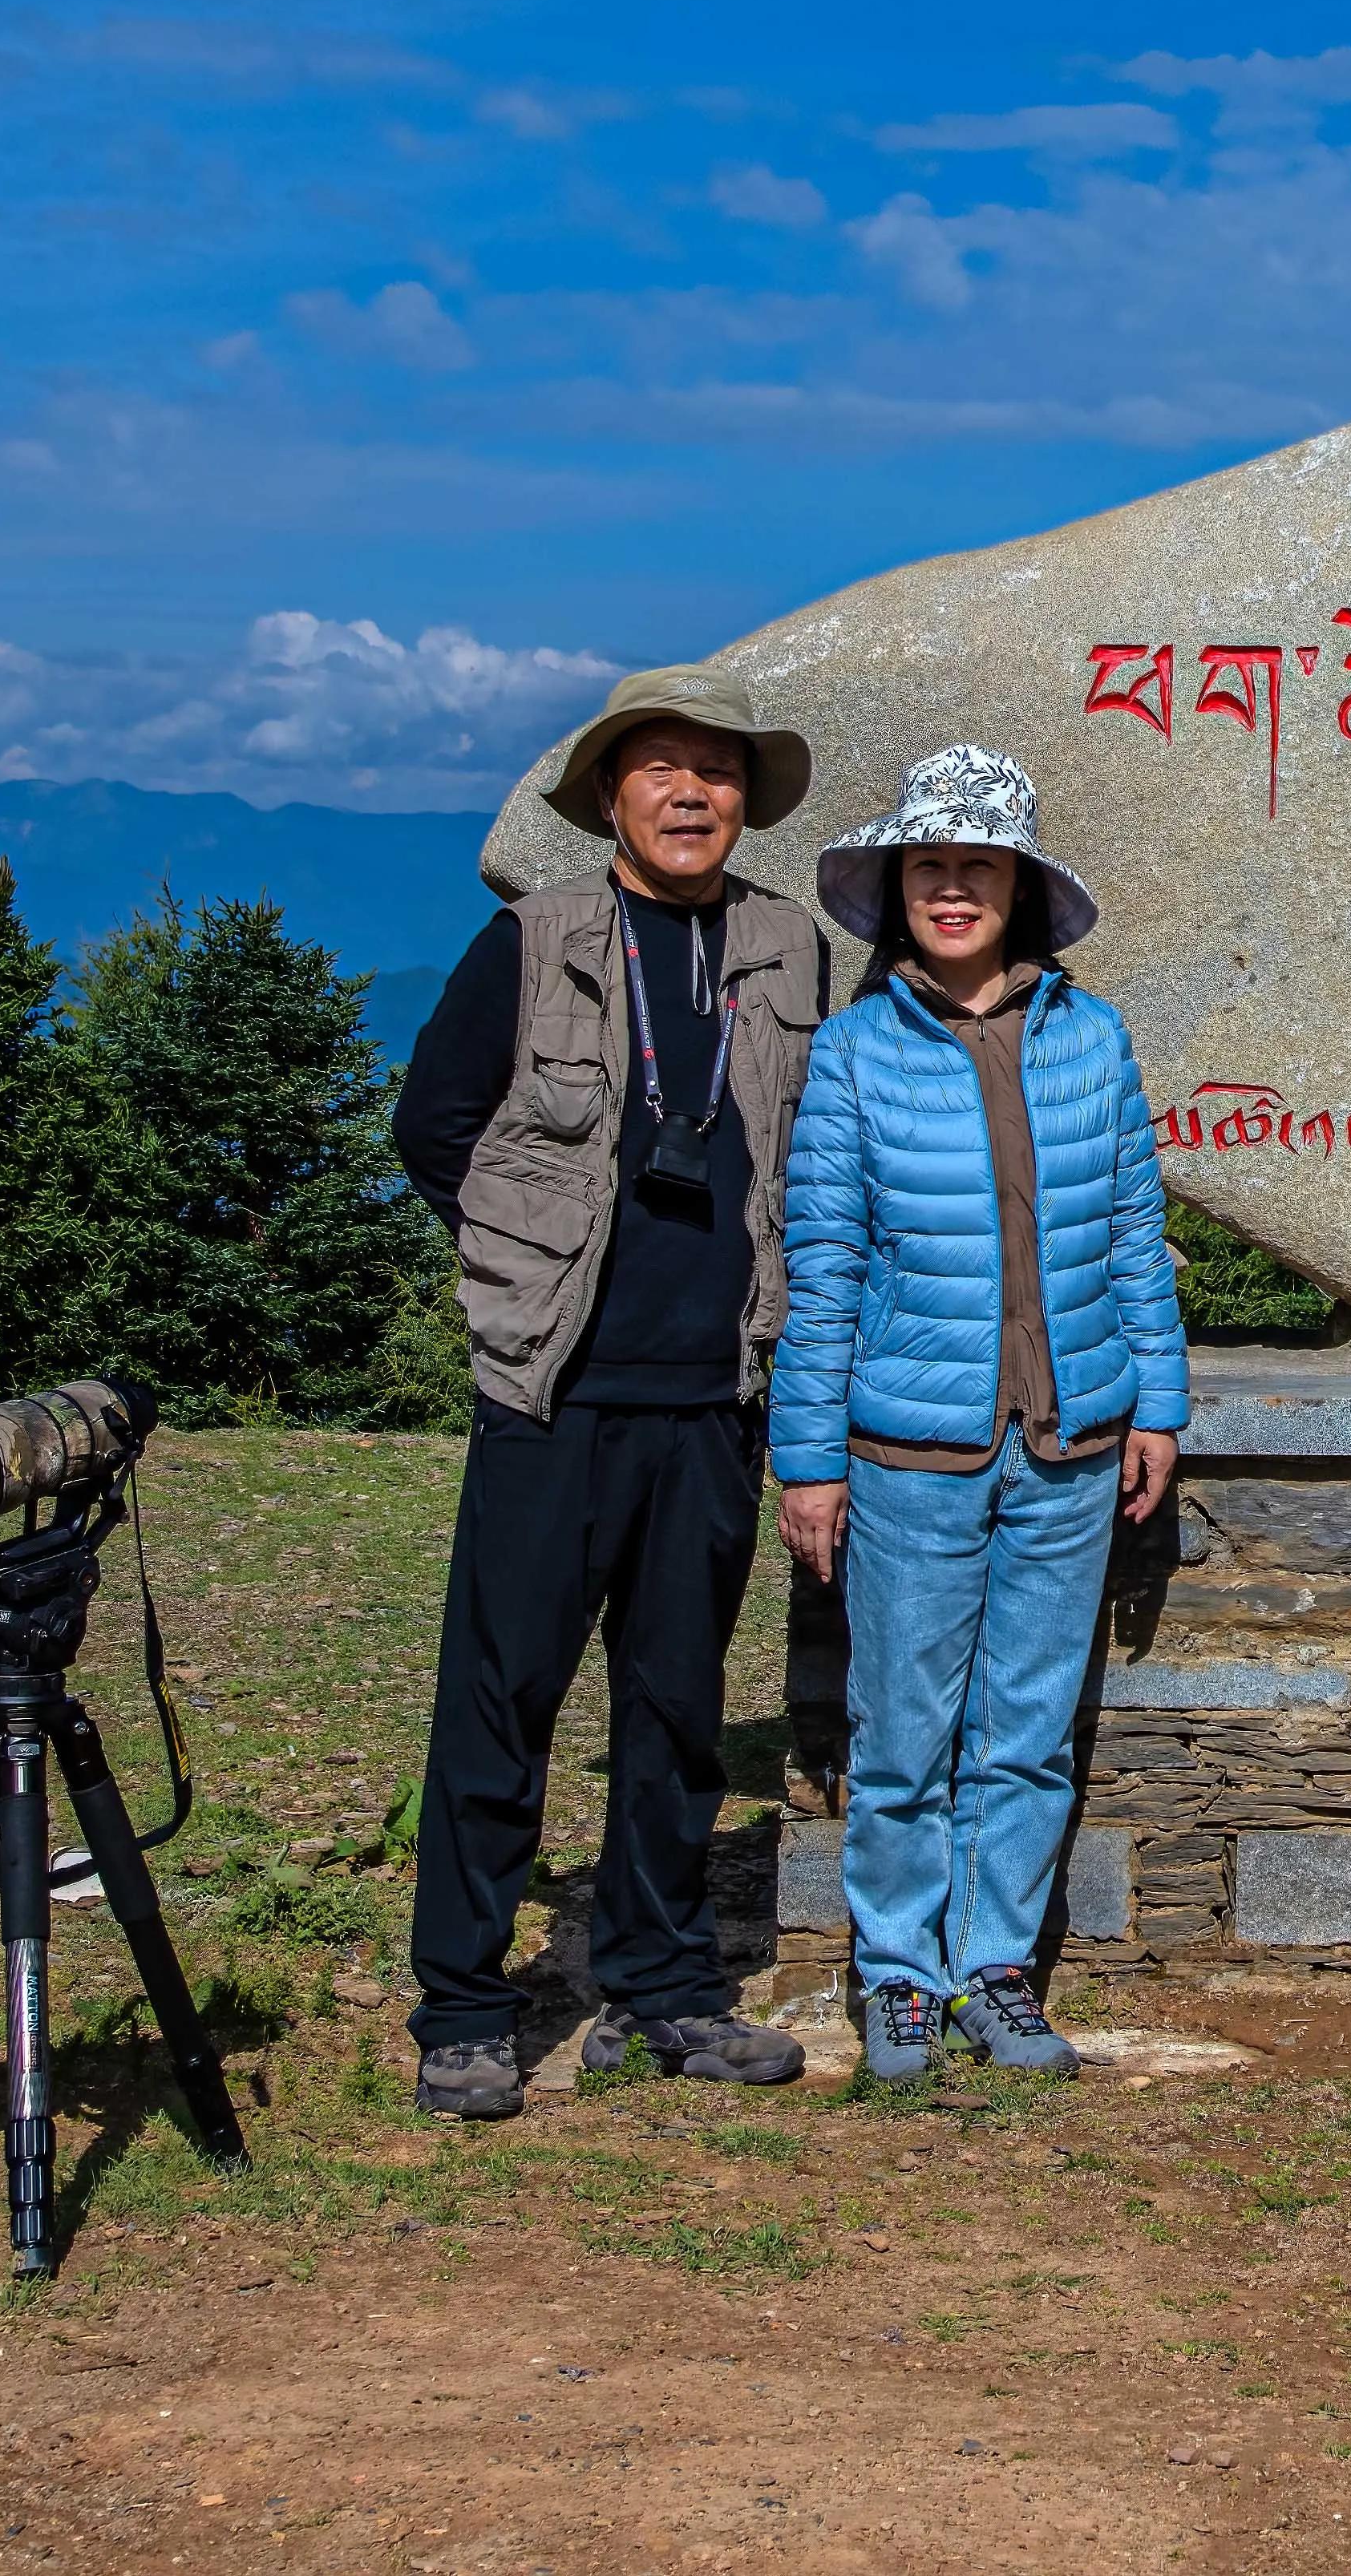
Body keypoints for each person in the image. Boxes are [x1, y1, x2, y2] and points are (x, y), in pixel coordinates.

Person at [383, 663, 845, 2119]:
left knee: (676, 1708)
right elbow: (433, 1125)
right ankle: (464, 2005)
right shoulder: (533, 940)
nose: (693, 792)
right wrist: (527, 1263)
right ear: (610, 797)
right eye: (663, 769)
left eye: (716, 771)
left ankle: (662, 1986)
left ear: (743, 802)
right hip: (553, 1390)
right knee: (501, 1696)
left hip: (715, 1393)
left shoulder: (790, 946)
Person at [775, 742, 1190, 2087]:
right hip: (909, 1449)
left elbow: (1135, 1233)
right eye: (930, 868)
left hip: (1069, 1443)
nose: (953, 891)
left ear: (1020, 887)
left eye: (979, 868)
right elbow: (824, 1266)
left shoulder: (1094, 1036)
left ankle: (995, 1969)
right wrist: (807, 1461)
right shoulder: (852, 1056)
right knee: (901, 1733)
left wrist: (1159, 1403)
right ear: (899, 889)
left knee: (1025, 1732)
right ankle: (898, 1975)